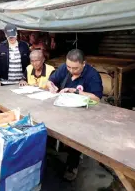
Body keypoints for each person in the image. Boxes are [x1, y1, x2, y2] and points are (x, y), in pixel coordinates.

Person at [46, 49, 103, 181]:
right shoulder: (64, 68)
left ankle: (72, 164)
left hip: (83, 113)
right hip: (63, 108)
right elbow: (50, 81)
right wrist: (51, 86)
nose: (71, 70)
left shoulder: (92, 74)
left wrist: (75, 91)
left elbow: (96, 98)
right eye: (69, 67)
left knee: (76, 135)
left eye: (75, 68)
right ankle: (49, 153)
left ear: (84, 63)